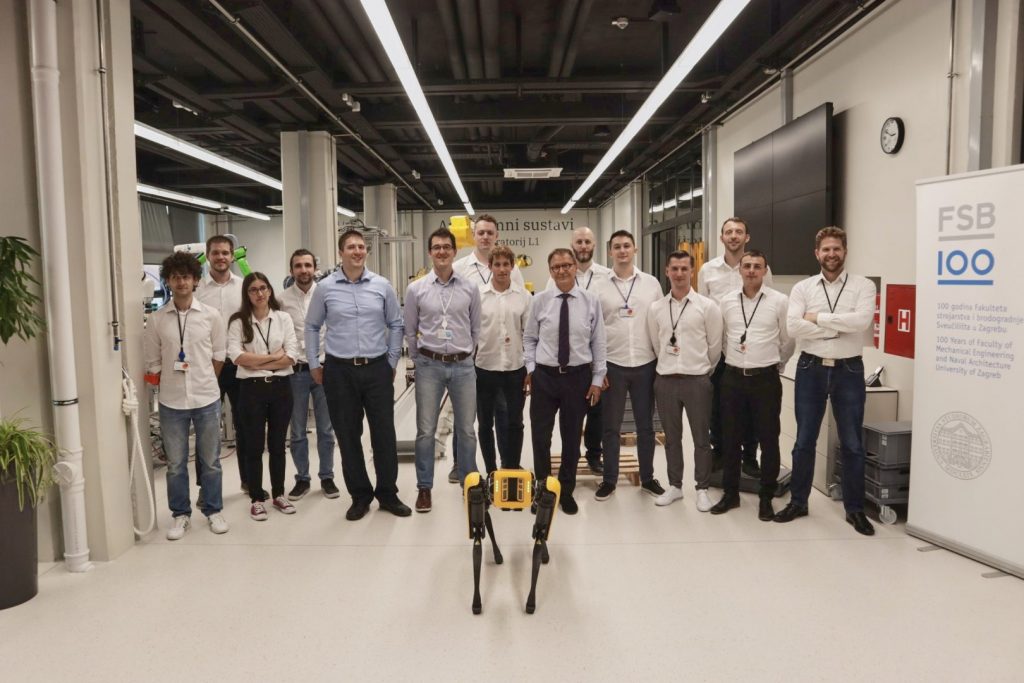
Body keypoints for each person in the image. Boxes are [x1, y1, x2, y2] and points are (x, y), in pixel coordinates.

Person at [779, 227, 877, 536]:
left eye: (836, 249)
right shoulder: (803, 288)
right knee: (804, 440)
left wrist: (817, 318)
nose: (831, 254)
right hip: (811, 367)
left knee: (852, 443)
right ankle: (798, 502)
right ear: (817, 253)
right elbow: (793, 327)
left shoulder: (863, 286)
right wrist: (838, 328)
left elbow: (862, 322)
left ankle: (855, 509)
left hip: (849, 370)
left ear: (845, 251)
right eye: (826, 249)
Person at [307, 230, 411, 520]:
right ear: (341, 252)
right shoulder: (325, 288)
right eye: (351, 247)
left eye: (361, 247)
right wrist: (314, 362)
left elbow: (396, 323)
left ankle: (387, 494)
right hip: (339, 371)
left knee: (384, 434)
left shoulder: (382, 285)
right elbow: (312, 326)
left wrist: (392, 360)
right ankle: (360, 496)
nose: (357, 251)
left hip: (377, 368)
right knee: (348, 435)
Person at [144, 251, 229, 539]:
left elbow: (219, 354)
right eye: (175, 277)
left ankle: (213, 510)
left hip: (206, 398)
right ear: (168, 281)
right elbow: (153, 361)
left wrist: (205, 378)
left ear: (195, 280)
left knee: (211, 461)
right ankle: (180, 515)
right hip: (171, 401)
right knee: (176, 464)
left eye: (186, 277)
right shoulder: (157, 319)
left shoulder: (211, 316)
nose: (181, 282)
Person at [710, 250, 794, 520]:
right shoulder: (726, 302)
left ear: (765, 271)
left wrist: (775, 363)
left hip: (765, 379)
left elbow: (788, 340)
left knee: (768, 439)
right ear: (740, 271)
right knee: (731, 438)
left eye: (757, 266)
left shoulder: (779, 301)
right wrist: (737, 359)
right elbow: (722, 338)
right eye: (747, 266)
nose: (751, 271)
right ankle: (730, 494)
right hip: (733, 378)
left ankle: (766, 496)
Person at [524, 248, 606, 515]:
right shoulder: (540, 301)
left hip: (577, 377)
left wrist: (597, 379)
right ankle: (543, 490)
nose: (561, 270)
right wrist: (532, 369)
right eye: (556, 267)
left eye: (566, 265)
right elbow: (529, 338)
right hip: (545, 378)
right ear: (550, 271)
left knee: (571, 438)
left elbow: (599, 342)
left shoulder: (590, 301)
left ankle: (566, 490)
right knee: (540, 437)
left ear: (575, 268)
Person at [405, 227, 481, 513]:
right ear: (430, 252)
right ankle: (424, 488)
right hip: (429, 365)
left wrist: (466, 354)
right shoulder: (417, 289)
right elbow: (410, 330)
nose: (441, 252)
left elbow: (476, 328)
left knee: (466, 430)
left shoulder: (469, 288)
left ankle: (469, 484)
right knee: (426, 431)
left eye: (446, 247)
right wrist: (420, 358)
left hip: (463, 366)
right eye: (436, 247)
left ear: (454, 251)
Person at [646, 251, 722, 511]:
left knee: (701, 439)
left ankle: (702, 488)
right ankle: (675, 486)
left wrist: (701, 370)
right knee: (671, 438)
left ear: (692, 271)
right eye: (674, 269)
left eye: (684, 269)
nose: (679, 274)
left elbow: (715, 347)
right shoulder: (656, 308)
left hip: (697, 380)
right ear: (667, 271)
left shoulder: (707, 307)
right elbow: (656, 343)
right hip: (666, 380)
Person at [592, 230, 665, 501]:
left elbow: (661, 322)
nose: (622, 251)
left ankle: (648, 478)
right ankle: (609, 480)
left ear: (635, 249)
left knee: (646, 426)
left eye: (626, 246)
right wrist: (597, 369)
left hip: (646, 363)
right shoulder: (598, 287)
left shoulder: (651, 284)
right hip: (613, 364)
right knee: (611, 427)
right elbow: (593, 329)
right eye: (617, 247)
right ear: (610, 252)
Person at [699, 217, 774, 479]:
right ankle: (719, 452)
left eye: (739, 232)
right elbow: (702, 309)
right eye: (729, 232)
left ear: (747, 237)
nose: (733, 236)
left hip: (751, 351)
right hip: (718, 349)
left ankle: (749, 457)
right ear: (722, 237)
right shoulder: (708, 270)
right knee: (718, 407)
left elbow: (768, 305)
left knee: (752, 408)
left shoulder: (761, 268)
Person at [451, 214, 524, 483]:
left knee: (506, 415)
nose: (485, 237)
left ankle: (508, 465)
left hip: (510, 362)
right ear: (473, 235)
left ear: (496, 235)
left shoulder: (516, 276)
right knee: (469, 417)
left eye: (489, 233)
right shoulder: (460, 268)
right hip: (477, 360)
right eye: (480, 232)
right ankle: (461, 464)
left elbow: (521, 314)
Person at [227, 272, 299, 521]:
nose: (259, 293)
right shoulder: (238, 322)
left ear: (269, 290)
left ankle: (279, 494)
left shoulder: (283, 318)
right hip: (251, 390)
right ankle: (257, 498)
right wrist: (273, 357)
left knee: (278, 445)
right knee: (253, 446)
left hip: (281, 388)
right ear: (246, 294)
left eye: (263, 288)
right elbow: (236, 356)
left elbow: (292, 356)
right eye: (253, 290)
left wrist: (256, 361)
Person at [546, 226, 611, 474]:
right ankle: (569, 457)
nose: (583, 246)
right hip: (572, 356)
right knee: (572, 413)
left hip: (599, 350)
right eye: (579, 242)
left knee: (597, 409)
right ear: (572, 245)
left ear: (594, 244)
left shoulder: (606, 276)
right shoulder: (557, 276)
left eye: (587, 242)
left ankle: (594, 454)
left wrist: (601, 366)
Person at [278, 249, 338, 501]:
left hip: (324, 369)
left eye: (307, 265)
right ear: (291, 270)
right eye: (298, 266)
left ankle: (327, 477)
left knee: (326, 429)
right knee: (298, 431)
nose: (303, 270)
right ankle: (302, 478)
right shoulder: (281, 300)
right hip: (296, 372)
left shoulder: (327, 294)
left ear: (315, 268)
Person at [194, 235, 251, 494]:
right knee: (206, 430)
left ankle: (249, 481)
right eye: (215, 253)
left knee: (246, 426)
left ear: (232, 256)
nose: (221, 257)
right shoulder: (197, 289)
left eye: (225, 253)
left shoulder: (243, 287)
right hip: (207, 367)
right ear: (207, 256)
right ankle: (206, 488)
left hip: (240, 365)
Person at [475, 245, 531, 472]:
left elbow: (530, 335)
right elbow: (471, 333)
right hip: (484, 368)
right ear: (490, 267)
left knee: (515, 422)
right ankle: (491, 471)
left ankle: (511, 468)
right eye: (497, 264)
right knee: (485, 424)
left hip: (515, 369)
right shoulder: (478, 296)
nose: (501, 269)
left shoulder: (523, 296)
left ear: (512, 266)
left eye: (506, 264)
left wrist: (530, 369)